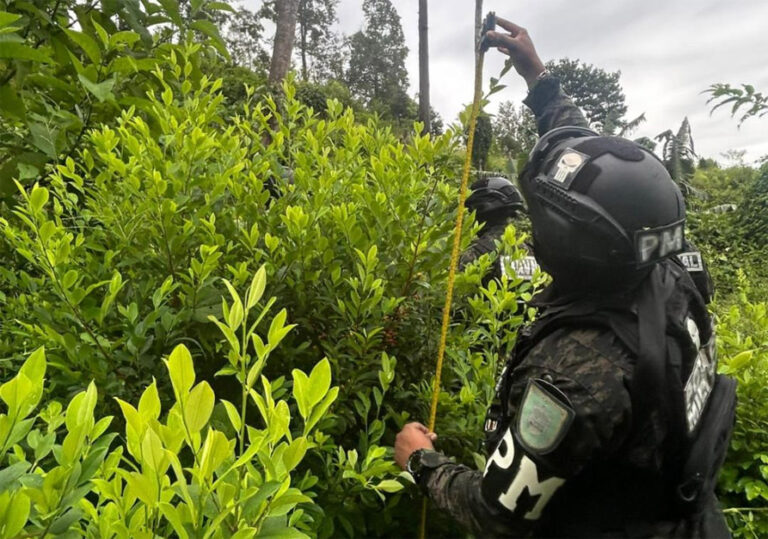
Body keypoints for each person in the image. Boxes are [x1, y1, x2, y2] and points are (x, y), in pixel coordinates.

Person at [394, 17, 735, 537]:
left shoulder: (577, 376)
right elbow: (600, 171)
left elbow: (497, 511)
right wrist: (539, 80)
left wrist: (422, 463)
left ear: (573, 245)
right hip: (685, 512)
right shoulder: (664, 264)